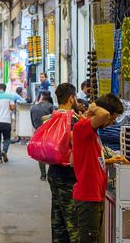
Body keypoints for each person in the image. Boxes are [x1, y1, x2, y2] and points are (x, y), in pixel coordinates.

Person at [72, 94, 126, 243]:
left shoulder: (92, 133)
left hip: (94, 195)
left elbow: (85, 160)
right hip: (88, 197)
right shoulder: (82, 127)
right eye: (112, 118)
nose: (111, 121)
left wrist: (109, 160)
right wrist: (93, 107)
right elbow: (104, 114)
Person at [46, 83, 82, 243]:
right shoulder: (71, 120)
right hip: (69, 176)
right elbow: (76, 146)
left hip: (53, 173)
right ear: (71, 98)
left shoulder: (53, 117)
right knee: (73, 222)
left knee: (58, 219)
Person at [30, 91, 55, 180]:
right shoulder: (51, 107)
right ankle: (50, 173)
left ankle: (43, 175)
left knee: (40, 154)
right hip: (49, 133)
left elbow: (32, 122)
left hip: (38, 132)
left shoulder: (34, 107)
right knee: (51, 153)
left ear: (42, 96)